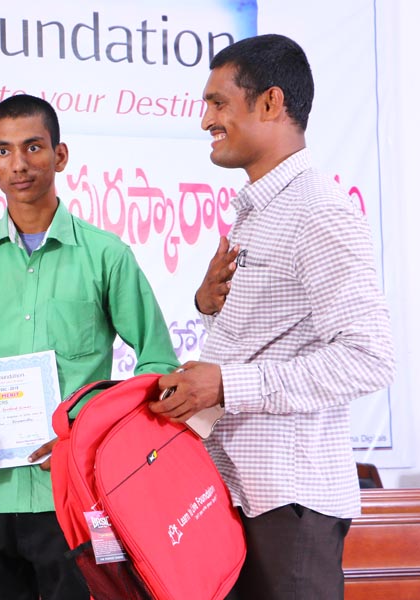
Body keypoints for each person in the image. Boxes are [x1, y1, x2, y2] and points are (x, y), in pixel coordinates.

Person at [149, 34, 395, 599]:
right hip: (236, 496)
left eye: (218, 103)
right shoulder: (258, 212)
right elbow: (271, 343)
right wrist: (208, 310)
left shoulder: (319, 210)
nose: (205, 120)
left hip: (291, 505)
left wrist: (225, 384)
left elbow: (369, 358)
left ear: (270, 103)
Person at [0, 94, 179, 599]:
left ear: (60, 156)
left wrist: (88, 436)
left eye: (33, 147)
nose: (19, 163)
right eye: (4, 150)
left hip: (75, 498)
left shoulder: (106, 256)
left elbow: (157, 363)